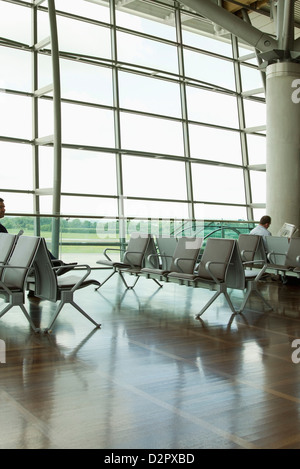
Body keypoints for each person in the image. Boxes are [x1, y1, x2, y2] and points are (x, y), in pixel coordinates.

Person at [0, 197, 77, 297]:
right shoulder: (1, 228)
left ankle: (52, 268)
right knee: (35, 250)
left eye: (4, 207)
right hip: (4, 264)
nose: (3, 209)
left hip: (5, 262)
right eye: (1, 207)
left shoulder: (1, 227)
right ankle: (54, 265)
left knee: (35, 251)